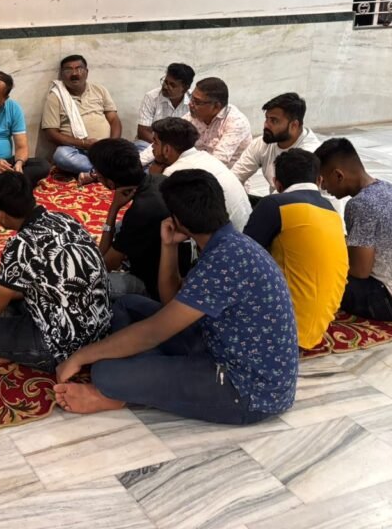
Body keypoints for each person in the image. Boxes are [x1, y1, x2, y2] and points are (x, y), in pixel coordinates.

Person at [53, 169, 299, 425]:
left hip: (246, 390)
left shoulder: (225, 261)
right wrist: (169, 245)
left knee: (105, 372)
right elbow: (172, 303)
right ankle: (144, 377)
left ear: (178, 219)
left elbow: (154, 332)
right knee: (127, 305)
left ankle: (122, 392)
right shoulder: (227, 243)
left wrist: (80, 356)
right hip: (217, 343)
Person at [0, 171, 110, 371]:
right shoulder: (65, 218)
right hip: (100, 328)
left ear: (1, 213)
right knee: (10, 301)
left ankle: (2, 354)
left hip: (60, 346)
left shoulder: (21, 245)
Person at [317, 137, 392, 320]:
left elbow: (359, 271)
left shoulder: (360, 204)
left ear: (339, 176)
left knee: (317, 272)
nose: (322, 187)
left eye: (323, 180)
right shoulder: (386, 187)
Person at [244, 149, 348, 349]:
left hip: (283, 328)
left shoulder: (274, 204)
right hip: (318, 326)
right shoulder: (332, 211)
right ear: (319, 180)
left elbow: (242, 258)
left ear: (276, 183)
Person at [89, 139, 173, 301]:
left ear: (110, 182)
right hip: (177, 266)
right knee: (120, 227)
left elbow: (105, 264)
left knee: (90, 283)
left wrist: (113, 209)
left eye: (97, 174)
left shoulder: (141, 212)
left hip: (154, 287)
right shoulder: (159, 179)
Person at [151, 118, 252, 231]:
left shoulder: (174, 172)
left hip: (226, 234)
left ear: (166, 149)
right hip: (246, 229)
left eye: (155, 142)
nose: (152, 147)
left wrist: (154, 174)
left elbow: (158, 207)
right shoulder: (205, 157)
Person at [40, 55, 121, 182]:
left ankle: (96, 174)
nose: (74, 74)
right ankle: (108, 172)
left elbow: (114, 120)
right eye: (68, 70)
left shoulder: (99, 90)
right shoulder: (55, 97)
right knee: (61, 155)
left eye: (79, 69)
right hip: (77, 151)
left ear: (86, 72)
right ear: (62, 74)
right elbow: (51, 134)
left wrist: (113, 144)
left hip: (106, 148)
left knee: (135, 148)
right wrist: (83, 144)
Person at [230, 92, 321, 196]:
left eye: (274, 121)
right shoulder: (263, 143)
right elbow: (234, 177)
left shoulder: (310, 154)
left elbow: (291, 197)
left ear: (294, 125)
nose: (266, 125)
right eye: (266, 119)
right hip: (278, 200)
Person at [182, 77, 252, 168]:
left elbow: (218, 161)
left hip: (227, 173)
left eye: (197, 102)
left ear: (216, 107)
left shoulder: (236, 122)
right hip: (197, 168)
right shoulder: (192, 117)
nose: (190, 104)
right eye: (191, 98)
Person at [137, 63, 194, 145]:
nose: (165, 87)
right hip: (153, 143)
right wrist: (162, 147)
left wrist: (175, 150)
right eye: (165, 82)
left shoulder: (194, 101)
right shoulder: (152, 97)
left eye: (172, 85)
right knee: (139, 145)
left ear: (185, 88)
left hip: (181, 147)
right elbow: (143, 131)